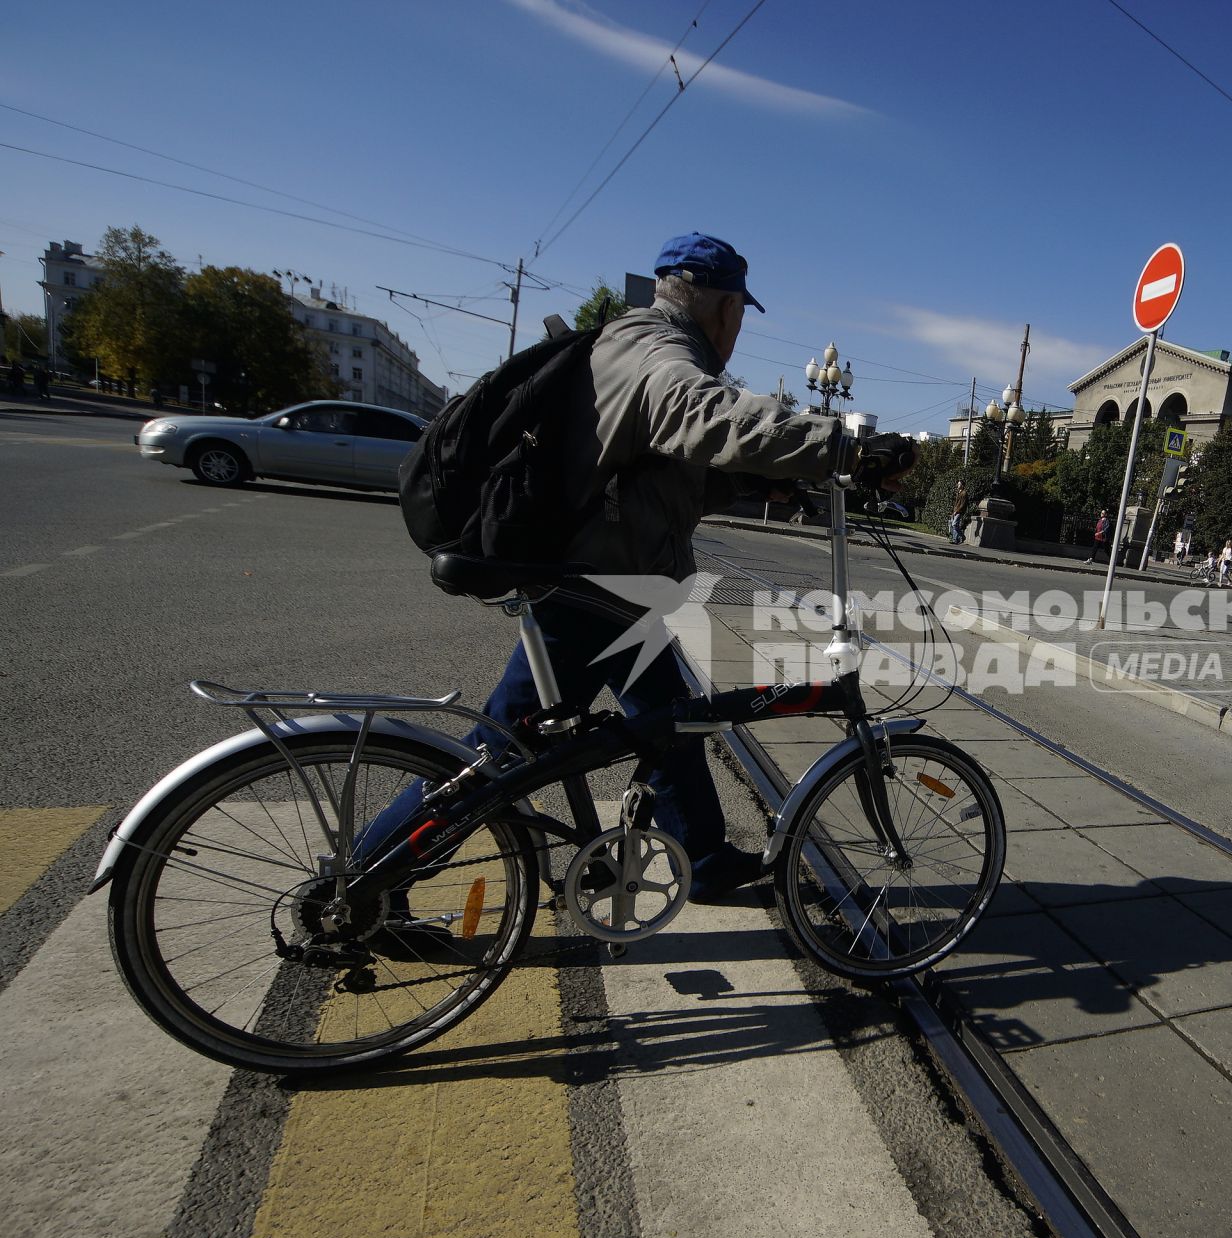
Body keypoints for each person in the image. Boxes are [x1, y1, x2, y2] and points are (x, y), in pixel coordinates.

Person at [360, 232, 916, 913]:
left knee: (671, 721)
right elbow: (697, 415)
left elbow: (655, 473)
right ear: (722, 304)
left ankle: (704, 859)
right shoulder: (659, 348)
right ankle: (367, 884)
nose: (737, 328)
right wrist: (840, 446)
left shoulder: (639, 344)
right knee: (501, 749)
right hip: (596, 589)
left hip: (617, 588)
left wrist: (762, 486)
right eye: (740, 311)